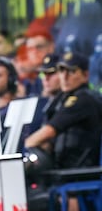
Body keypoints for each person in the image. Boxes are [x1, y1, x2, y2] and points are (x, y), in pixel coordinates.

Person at [25, 52, 102, 210]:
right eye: (61, 71)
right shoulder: (64, 99)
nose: (64, 77)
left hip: (77, 176)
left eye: (71, 71)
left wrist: (24, 147)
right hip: (65, 174)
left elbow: (47, 133)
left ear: (85, 75)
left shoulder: (82, 100)